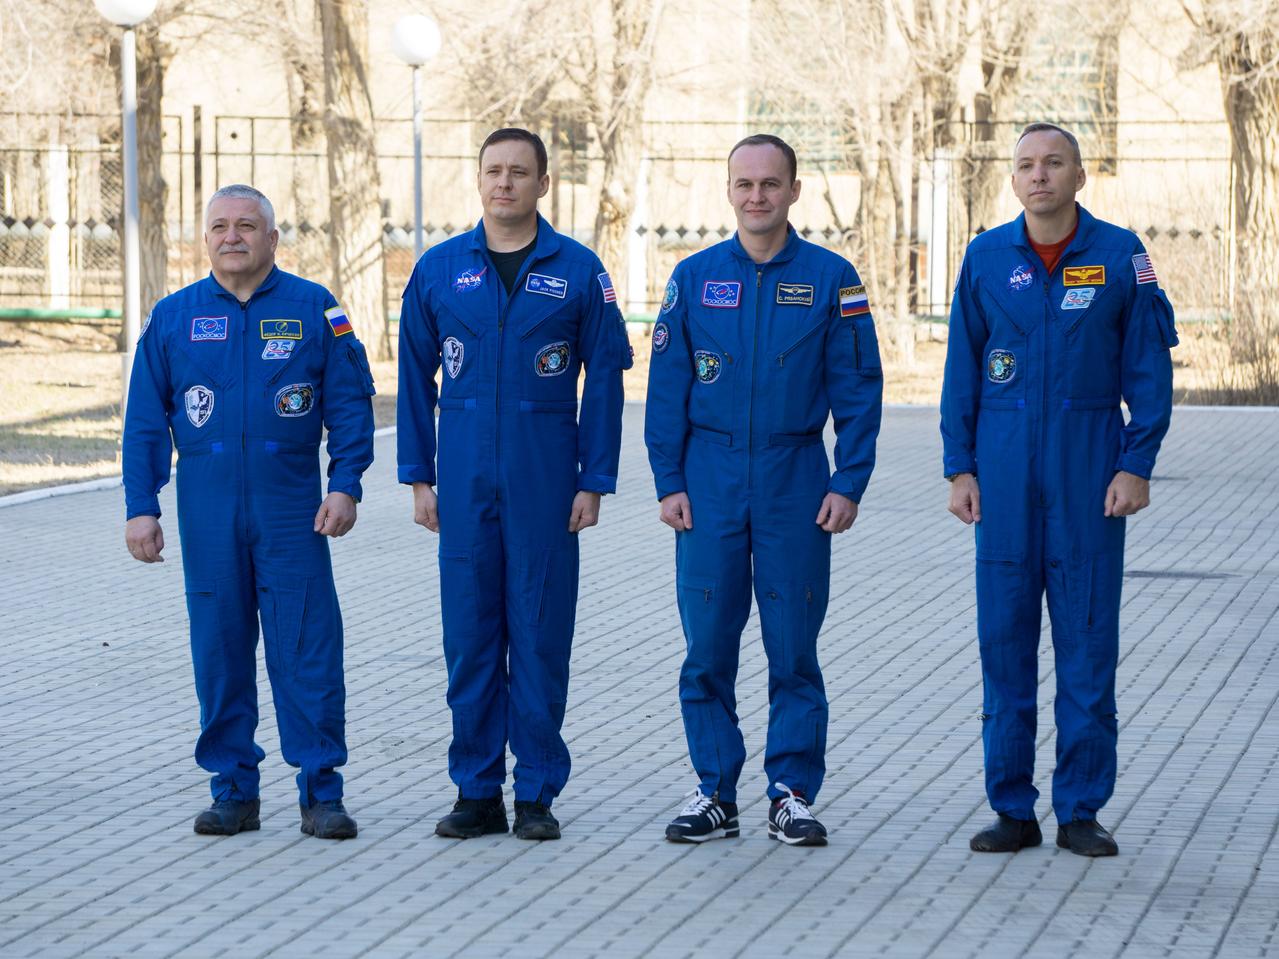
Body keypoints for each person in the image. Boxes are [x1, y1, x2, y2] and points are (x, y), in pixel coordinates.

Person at [941, 123, 1177, 857]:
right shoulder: (984, 257)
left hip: (1086, 481)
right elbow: (961, 371)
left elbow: (1147, 368)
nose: (1038, 176)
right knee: (1003, 650)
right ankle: (1012, 807)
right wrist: (960, 467)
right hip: (1003, 484)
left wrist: (1135, 462)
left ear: (1080, 174)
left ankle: (1080, 807)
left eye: (1053, 164)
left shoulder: (1118, 256)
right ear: (1011, 180)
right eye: (1025, 166)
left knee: (1085, 651)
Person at [644, 134, 883, 846]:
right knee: (707, 647)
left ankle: (790, 792)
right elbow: (665, 393)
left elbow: (860, 392)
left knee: (792, 646)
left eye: (770, 184)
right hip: (709, 483)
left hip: (795, 482)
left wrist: (849, 481)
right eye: (744, 184)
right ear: (728, 191)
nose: (757, 196)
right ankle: (715, 790)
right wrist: (668, 482)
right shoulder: (691, 278)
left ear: (793, 191)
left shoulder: (832, 277)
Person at [397, 128, 632, 841]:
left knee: (539, 634)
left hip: (545, 477)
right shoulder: (439, 270)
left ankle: (535, 792)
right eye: (493, 171)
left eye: (518, 172)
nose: (504, 183)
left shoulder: (580, 270)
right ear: (478, 179)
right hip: (465, 480)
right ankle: (474, 791)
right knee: (469, 638)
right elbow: (412, 378)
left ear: (543, 184)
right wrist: (418, 476)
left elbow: (606, 385)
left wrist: (594, 478)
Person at [122, 184, 376, 840]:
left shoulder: (314, 308)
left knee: (307, 648)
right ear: (204, 238)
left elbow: (349, 403)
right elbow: (146, 422)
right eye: (219, 227)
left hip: (291, 509)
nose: (231, 237)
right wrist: (140, 507)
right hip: (206, 511)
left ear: (272, 238)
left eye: (246, 226)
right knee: (220, 650)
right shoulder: (173, 317)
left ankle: (321, 790)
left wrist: (344, 483)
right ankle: (232, 789)